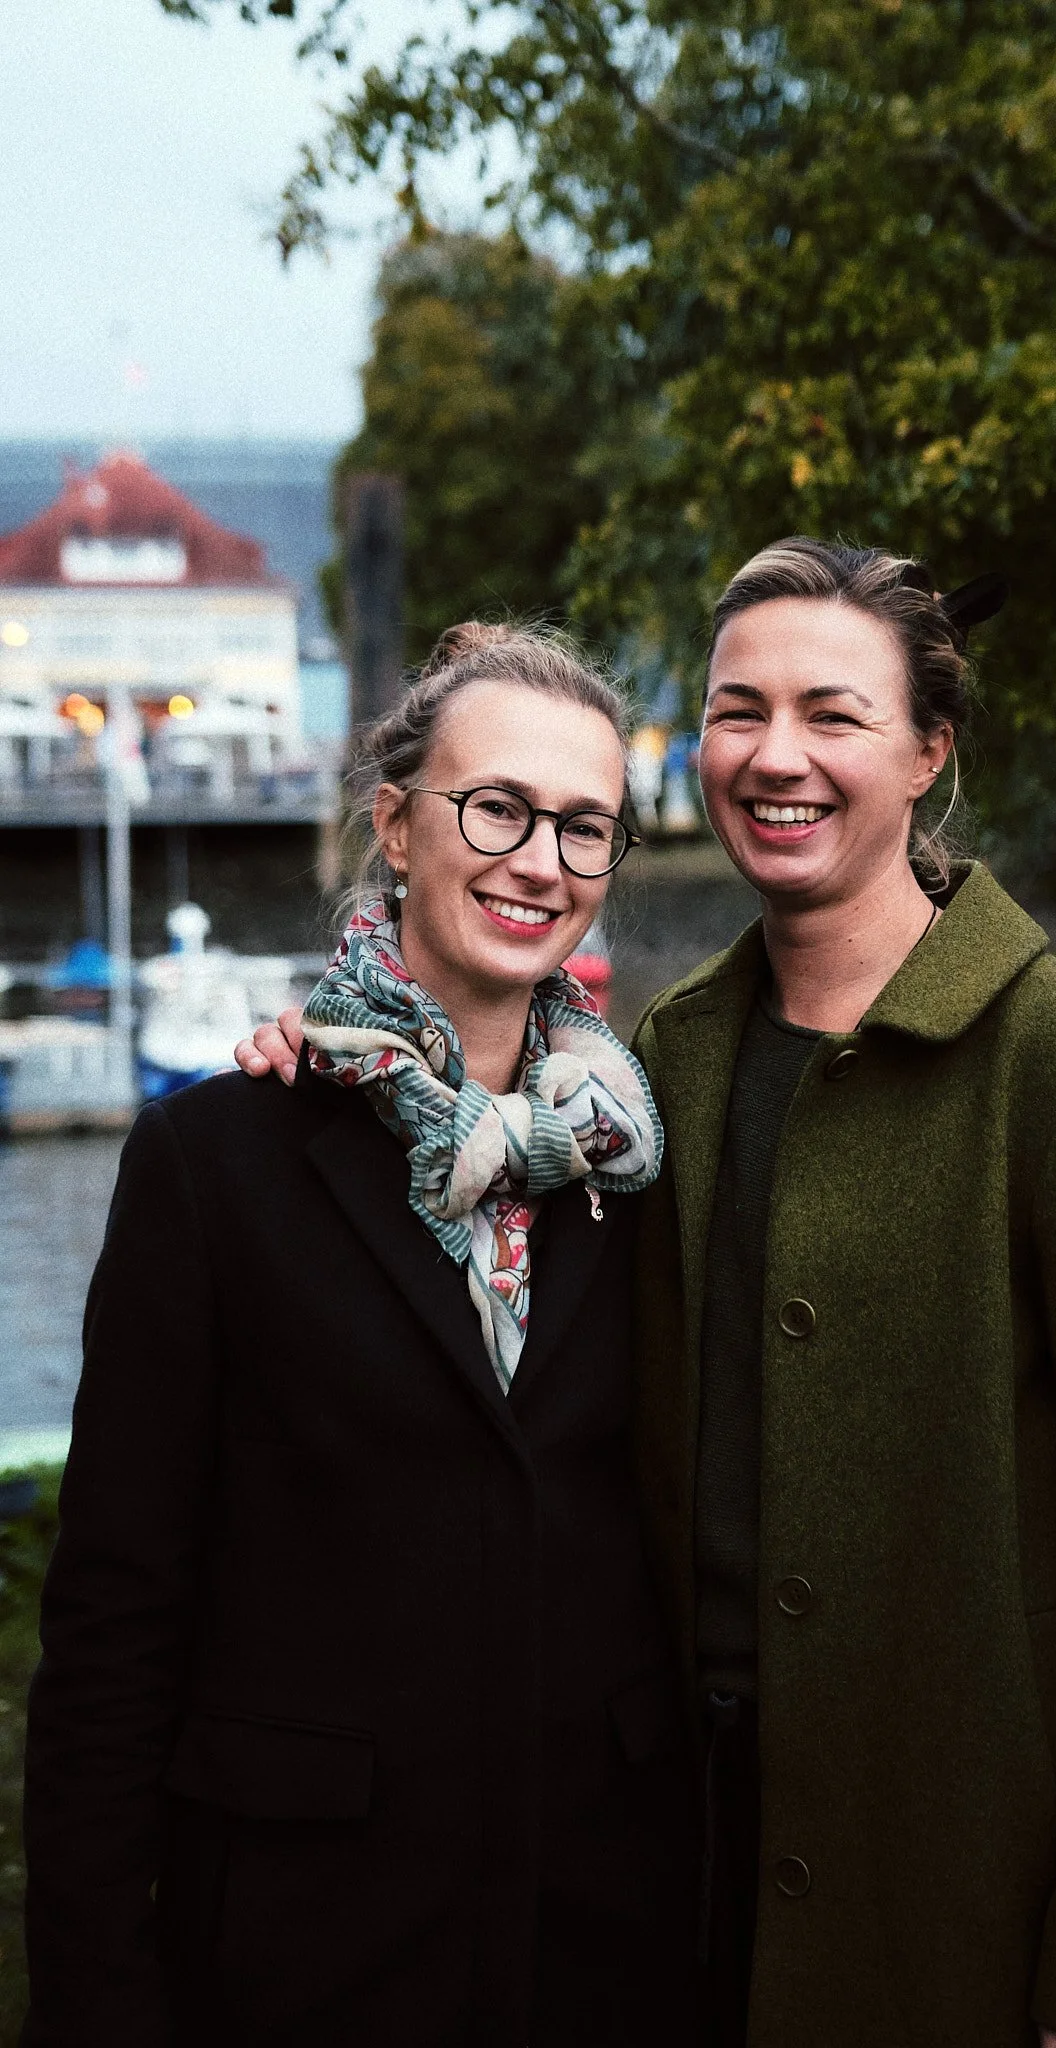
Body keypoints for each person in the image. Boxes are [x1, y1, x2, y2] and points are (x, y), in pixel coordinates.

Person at [242, 545, 1056, 2048]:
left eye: (833, 714)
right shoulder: (656, 1070)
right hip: (657, 1874)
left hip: (956, 1890)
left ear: (928, 752)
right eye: (735, 708)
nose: (777, 757)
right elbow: (471, 1271)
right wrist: (319, 1071)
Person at [23, 623, 699, 2048]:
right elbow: (114, 1619)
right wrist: (96, 1990)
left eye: (585, 829)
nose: (540, 863)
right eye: (498, 807)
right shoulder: (216, 1161)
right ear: (397, 825)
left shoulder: (639, 1166)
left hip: (601, 1940)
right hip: (303, 1943)